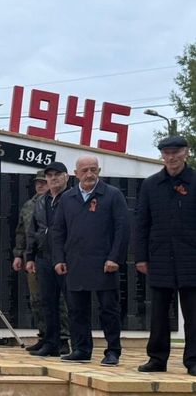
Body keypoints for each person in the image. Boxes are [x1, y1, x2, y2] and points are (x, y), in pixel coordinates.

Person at [52, 155, 130, 365]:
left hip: (104, 263)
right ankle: (81, 349)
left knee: (109, 310)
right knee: (77, 310)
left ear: (99, 171)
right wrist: (59, 258)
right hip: (75, 262)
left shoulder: (112, 195)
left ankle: (113, 351)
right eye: (84, 170)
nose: (89, 174)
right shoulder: (67, 198)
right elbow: (58, 231)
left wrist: (115, 257)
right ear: (75, 174)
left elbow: (122, 229)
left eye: (93, 169)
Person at [135, 135, 196, 376]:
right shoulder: (151, 185)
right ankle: (157, 358)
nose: (171, 157)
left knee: (193, 314)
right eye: (167, 153)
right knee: (159, 313)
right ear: (162, 155)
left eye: (176, 152)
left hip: (191, 257)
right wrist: (141, 257)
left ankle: (193, 360)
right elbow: (142, 224)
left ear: (186, 152)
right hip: (160, 257)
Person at [25, 161, 70, 357]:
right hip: (43, 257)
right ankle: (50, 342)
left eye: (57, 175)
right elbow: (33, 230)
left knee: (68, 303)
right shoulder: (41, 202)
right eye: (49, 176)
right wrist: (30, 256)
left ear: (66, 177)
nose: (53, 179)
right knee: (47, 302)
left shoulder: (72, 199)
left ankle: (67, 342)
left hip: (66, 258)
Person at [12, 171, 50, 350]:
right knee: (36, 299)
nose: (40, 185)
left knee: (57, 301)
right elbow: (21, 232)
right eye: (37, 183)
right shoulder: (28, 206)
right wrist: (18, 254)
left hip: (52, 257)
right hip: (31, 258)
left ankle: (62, 338)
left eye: (43, 182)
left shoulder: (58, 202)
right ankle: (44, 336)